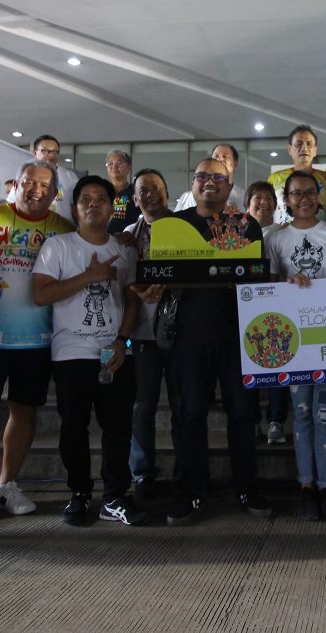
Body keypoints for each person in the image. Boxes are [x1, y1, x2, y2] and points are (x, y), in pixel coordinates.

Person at [0, 160, 75, 528]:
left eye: (43, 185)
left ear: (54, 193)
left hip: (37, 338)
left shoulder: (63, 229)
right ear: (15, 184)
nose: (35, 189)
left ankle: (6, 485)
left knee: (24, 412)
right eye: (28, 182)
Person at [161, 158, 273, 525]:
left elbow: (256, 278)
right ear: (192, 184)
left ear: (229, 186)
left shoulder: (245, 225)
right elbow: (159, 278)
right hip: (189, 338)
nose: (209, 183)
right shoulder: (173, 226)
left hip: (239, 338)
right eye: (202, 177)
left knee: (243, 414)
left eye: (218, 178)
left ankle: (247, 486)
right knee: (189, 415)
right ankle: (193, 491)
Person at [33, 175, 146, 526]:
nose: (93, 203)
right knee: (73, 428)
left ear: (113, 207)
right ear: (75, 207)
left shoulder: (125, 250)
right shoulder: (58, 246)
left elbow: (132, 303)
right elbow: (41, 294)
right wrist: (89, 276)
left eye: (101, 198)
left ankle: (114, 497)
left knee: (118, 428)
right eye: (86, 198)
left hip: (113, 354)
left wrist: (122, 341)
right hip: (70, 354)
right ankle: (79, 493)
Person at [266, 170, 326, 520]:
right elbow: (267, 287)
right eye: (295, 194)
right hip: (294, 341)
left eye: (310, 193)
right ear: (286, 200)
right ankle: (306, 486)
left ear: (320, 197)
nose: (303, 199)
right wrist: (287, 282)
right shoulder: (275, 238)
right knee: (300, 415)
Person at [121, 168, 174, 498]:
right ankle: (141, 473)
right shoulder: (128, 234)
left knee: (184, 406)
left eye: (157, 187)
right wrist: (135, 288)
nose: (151, 193)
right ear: (136, 198)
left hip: (179, 329)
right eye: (144, 189)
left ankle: (188, 470)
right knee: (142, 407)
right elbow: (120, 278)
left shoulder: (184, 229)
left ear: (167, 194)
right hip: (140, 332)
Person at [243, 182, 288, 443]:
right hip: (247, 308)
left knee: (276, 366)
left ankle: (276, 420)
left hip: (277, 308)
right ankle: (252, 422)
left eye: (268, 198)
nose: (263, 203)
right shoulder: (239, 235)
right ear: (247, 206)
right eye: (256, 198)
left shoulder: (283, 233)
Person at [267, 126, 326, 223]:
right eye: (298, 144)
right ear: (289, 149)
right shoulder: (274, 178)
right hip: (282, 235)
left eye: (309, 144)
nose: (304, 148)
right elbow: (268, 212)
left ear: (315, 150)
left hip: (321, 236)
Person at [174, 143, 246, 212]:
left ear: (235, 164)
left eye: (224, 156)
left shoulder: (243, 197)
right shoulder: (187, 198)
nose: (220, 160)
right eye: (216, 156)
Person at [104, 149, 141, 234]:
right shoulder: (101, 191)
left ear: (129, 167)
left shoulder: (135, 191)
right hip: (100, 241)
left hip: (126, 241)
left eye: (119, 163)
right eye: (110, 164)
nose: (114, 167)